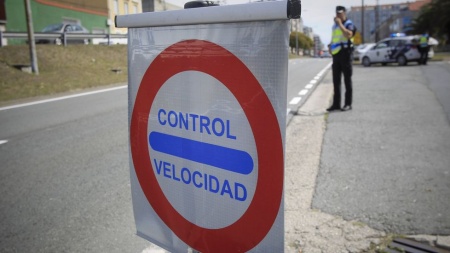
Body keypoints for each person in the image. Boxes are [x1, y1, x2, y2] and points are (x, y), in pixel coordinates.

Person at [327, 6, 356, 112]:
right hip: (336, 55)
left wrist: (340, 24)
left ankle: (348, 104)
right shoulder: (334, 26)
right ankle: (336, 104)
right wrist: (330, 45)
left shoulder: (348, 23)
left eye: (340, 14)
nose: (338, 16)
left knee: (347, 80)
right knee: (336, 81)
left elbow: (349, 34)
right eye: (337, 14)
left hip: (346, 54)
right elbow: (335, 38)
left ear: (344, 14)